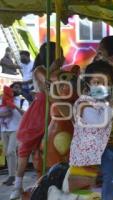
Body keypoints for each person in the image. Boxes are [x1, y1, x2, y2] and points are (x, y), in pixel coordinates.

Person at [10, 42, 63, 200]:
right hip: (42, 108)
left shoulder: (57, 71)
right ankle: (17, 185)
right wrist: (54, 67)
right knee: (28, 144)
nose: (62, 58)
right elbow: (46, 84)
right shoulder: (40, 70)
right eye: (59, 55)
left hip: (54, 105)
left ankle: (47, 179)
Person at [69, 60, 113, 200]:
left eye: (107, 83)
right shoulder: (84, 103)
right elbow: (99, 122)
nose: (103, 87)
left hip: (101, 146)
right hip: (90, 149)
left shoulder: (101, 102)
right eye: (97, 82)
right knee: (111, 168)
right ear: (88, 84)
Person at [0, 82, 25, 186]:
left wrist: (15, 107)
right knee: (7, 153)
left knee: (11, 151)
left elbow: (25, 114)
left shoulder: (22, 101)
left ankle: (13, 176)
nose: (17, 89)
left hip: (16, 129)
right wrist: (4, 113)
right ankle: (11, 176)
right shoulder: (2, 99)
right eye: (15, 87)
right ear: (11, 88)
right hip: (4, 130)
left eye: (19, 88)